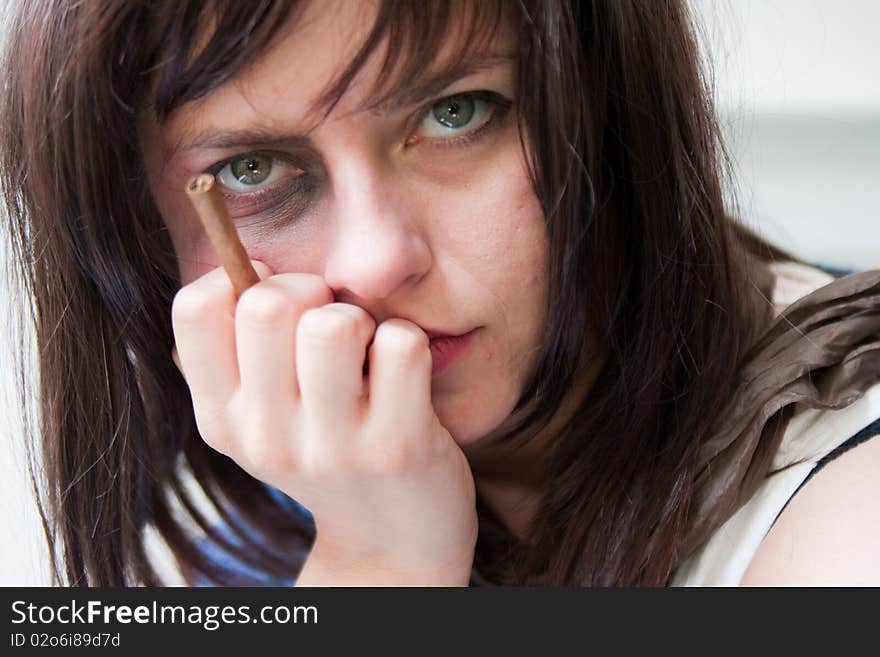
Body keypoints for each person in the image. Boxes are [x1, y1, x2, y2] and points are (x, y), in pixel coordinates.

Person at [1, 0, 878, 587]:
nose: (379, 259)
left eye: (456, 112)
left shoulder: (846, 519)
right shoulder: (249, 519)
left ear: (609, 109)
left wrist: (380, 567)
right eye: (252, 169)